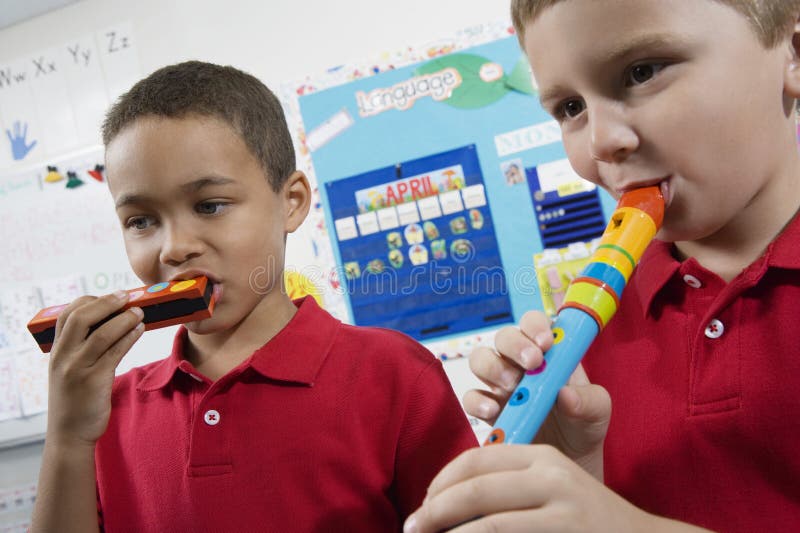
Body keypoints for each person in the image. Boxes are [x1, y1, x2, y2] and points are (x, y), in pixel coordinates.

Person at [30, 61, 478, 532]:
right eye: (141, 220)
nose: (174, 247)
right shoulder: (105, 412)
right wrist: (68, 437)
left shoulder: (396, 375)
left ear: (292, 202)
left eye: (210, 206)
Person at [405, 1, 800, 531]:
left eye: (642, 72)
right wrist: (575, 480)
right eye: (570, 108)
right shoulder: (592, 327)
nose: (601, 143)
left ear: (792, 55)